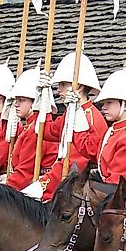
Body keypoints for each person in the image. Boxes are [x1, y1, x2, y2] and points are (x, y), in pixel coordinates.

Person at [72, 63, 126, 191]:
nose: (103, 107)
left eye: (109, 103)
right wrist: (76, 109)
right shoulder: (113, 131)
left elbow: (115, 182)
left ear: (125, 105)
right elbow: (89, 149)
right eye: (104, 103)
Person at [36, 52, 108, 193]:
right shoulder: (70, 114)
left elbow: (74, 164)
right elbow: (45, 131)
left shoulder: (90, 117)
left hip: (75, 189)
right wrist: (43, 97)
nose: (59, 90)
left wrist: (43, 186)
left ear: (79, 86)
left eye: (63, 84)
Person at [5, 67, 59, 199]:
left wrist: (3, 193)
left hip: (37, 191)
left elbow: (25, 173)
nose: (16, 104)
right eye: (16, 100)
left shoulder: (34, 130)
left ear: (34, 102)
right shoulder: (29, 127)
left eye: (21, 100)